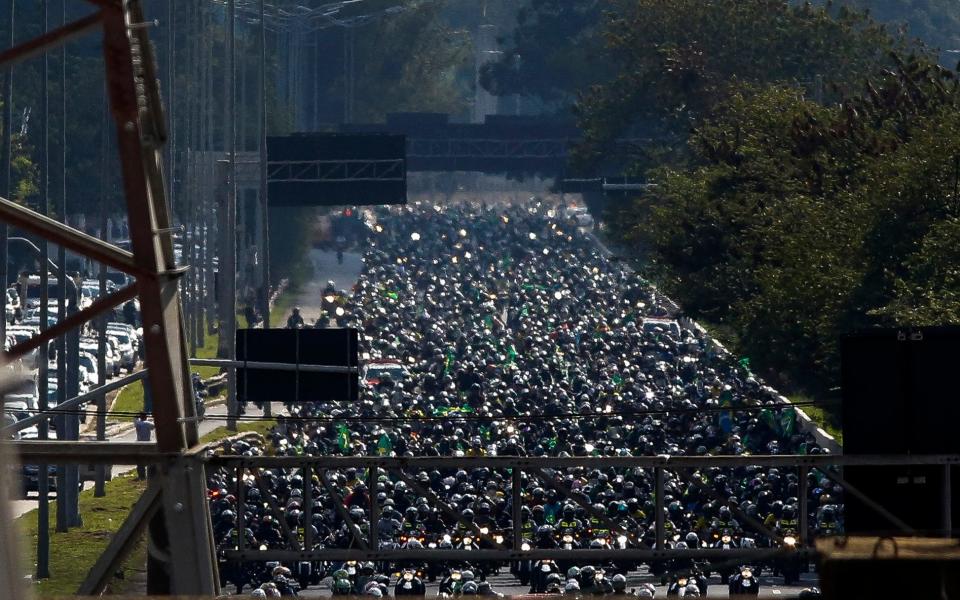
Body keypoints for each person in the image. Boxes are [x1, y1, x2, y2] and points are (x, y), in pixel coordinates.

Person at [134, 412, 155, 480]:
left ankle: (142, 476)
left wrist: (136, 417)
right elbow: (154, 426)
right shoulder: (147, 423)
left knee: (140, 462)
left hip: (139, 444)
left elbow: (135, 420)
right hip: (147, 443)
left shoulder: (138, 423)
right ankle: (151, 475)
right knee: (150, 460)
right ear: (145, 417)